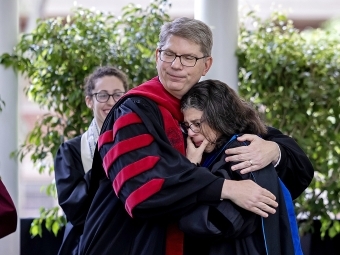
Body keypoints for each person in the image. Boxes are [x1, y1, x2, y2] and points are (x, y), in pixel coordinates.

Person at [78, 17, 313, 255]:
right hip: (127, 242)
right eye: (169, 54)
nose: (176, 65)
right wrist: (227, 188)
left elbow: (291, 159)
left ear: (206, 65)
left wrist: (274, 151)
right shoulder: (132, 112)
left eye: (189, 58)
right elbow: (141, 192)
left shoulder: (209, 104)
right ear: (157, 56)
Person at [179, 79, 303, 254]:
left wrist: (191, 170)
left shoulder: (240, 154)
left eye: (197, 124)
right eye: (187, 126)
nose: (191, 133)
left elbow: (211, 224)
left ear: (218, 116)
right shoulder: (219, 152)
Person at [54, 66, 128, 255]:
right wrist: (105, 156)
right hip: (88, 244)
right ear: (89, 101)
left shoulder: (137, 144)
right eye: (102, 95)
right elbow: (75, 212)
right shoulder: (71, 151)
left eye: (118, 95)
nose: (111, 102)